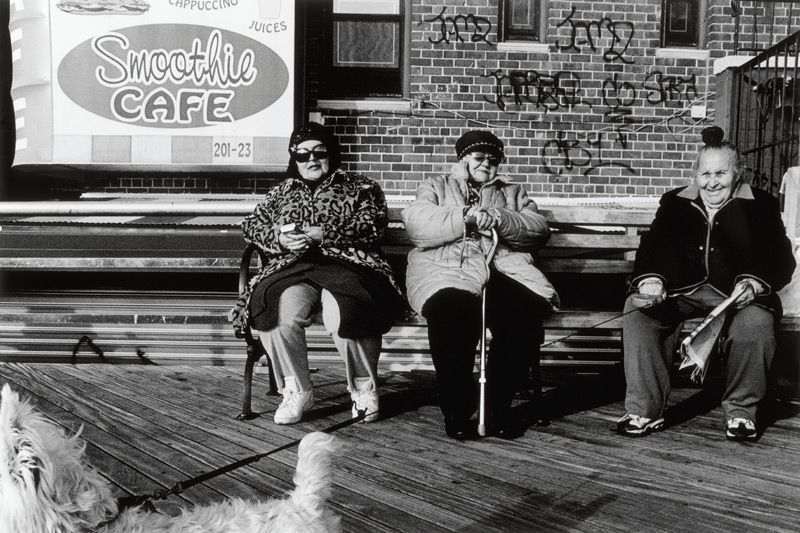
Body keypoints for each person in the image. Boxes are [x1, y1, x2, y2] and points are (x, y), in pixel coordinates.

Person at [617, 126, 796, 441]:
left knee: (755, 324)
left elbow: (780, 257)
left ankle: (742, 413)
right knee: (639, 311)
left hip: (736, 294)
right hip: (684, 290)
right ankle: (644, 410)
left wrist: (754, 283)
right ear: (696, 175)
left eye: (721, 173)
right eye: (706, 174)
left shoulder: (760, 204)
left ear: (737, 174)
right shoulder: (675, 202)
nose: (712, 182)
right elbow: (655, 245)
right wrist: (653, 278)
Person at [231, 122, 404, 425]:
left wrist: (325, 233)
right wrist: (280, 239)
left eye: (319, 152)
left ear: (331, 154)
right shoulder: (281, 192)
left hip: (349, 264)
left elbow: (374, 224)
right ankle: (296, 390)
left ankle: (364, 389)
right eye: (302, 154)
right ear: (294, 158)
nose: (311, 159)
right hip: (292, 267)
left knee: (348, 311)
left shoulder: (360, 186)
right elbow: (251, 225)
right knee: (276, 311)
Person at [402, 130, 560, 440]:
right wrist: (465, 216)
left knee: (525, 312)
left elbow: (538, 228)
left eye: (493, 159)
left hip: (501, 267)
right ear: (463, 159)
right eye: (479, 157)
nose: (486, 164)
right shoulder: (435, 185)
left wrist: (499, 217)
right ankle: (457, 408)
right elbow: (417, 224)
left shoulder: (513, 191)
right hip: (449, 267)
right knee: (451, 312)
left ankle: (496, 407)